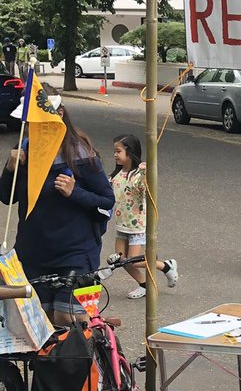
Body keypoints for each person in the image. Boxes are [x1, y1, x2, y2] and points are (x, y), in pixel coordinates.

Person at [0, 92, 114, 326]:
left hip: (77, 254)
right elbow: (5, 197)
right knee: (39, 325)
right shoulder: (23, 149)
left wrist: (75, 192)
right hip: (32, 255)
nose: (32, 128)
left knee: (70, 319)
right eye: (29, 122)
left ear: (59, 115)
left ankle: (99, 343)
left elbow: (106, 201)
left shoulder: (81, 153)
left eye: (39, 121)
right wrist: (10, 169)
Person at [109, 134, 178, 299]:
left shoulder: (139, 175)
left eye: (118, 151)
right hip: (121, 225)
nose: (115, 155)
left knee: (132, 261)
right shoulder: (115, 175)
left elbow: (144, 189)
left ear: (130, 152)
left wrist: (145, 173)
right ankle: (144, 284)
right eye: (115, 151)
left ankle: (165, 266)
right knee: (119, 260)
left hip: (137, 226)